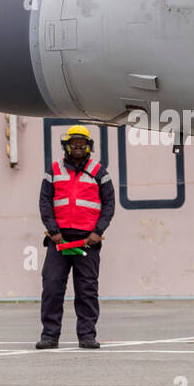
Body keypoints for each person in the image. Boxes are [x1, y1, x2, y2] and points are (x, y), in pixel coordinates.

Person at [36, 125, 115, 349]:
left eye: (82, 143)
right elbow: (45, 203)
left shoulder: (100, 172)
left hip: (87, 242)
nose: (78, 146)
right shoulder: (53, 171)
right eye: (74, 143)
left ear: (88, 146)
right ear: (67, 146)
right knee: (52, 287)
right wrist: (54, 232)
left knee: (87, 289)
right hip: (59, 242)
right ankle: (50, 336)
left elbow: (109, 204)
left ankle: (87, 336)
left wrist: (98, 232)